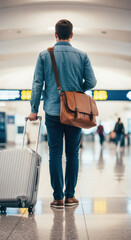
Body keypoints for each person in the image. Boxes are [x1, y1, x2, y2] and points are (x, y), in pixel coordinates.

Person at [28, 19, 97, 209]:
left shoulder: (44, 55)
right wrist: (76, 90)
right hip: (75, 112)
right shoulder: (82, 56)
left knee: (55, 154)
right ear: (72, 35)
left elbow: (37, 85)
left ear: (55, 34)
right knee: (73, 154)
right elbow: (91, 82)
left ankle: (57, 198)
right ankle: (70, 196)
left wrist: (34, 109)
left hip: (52, 111)